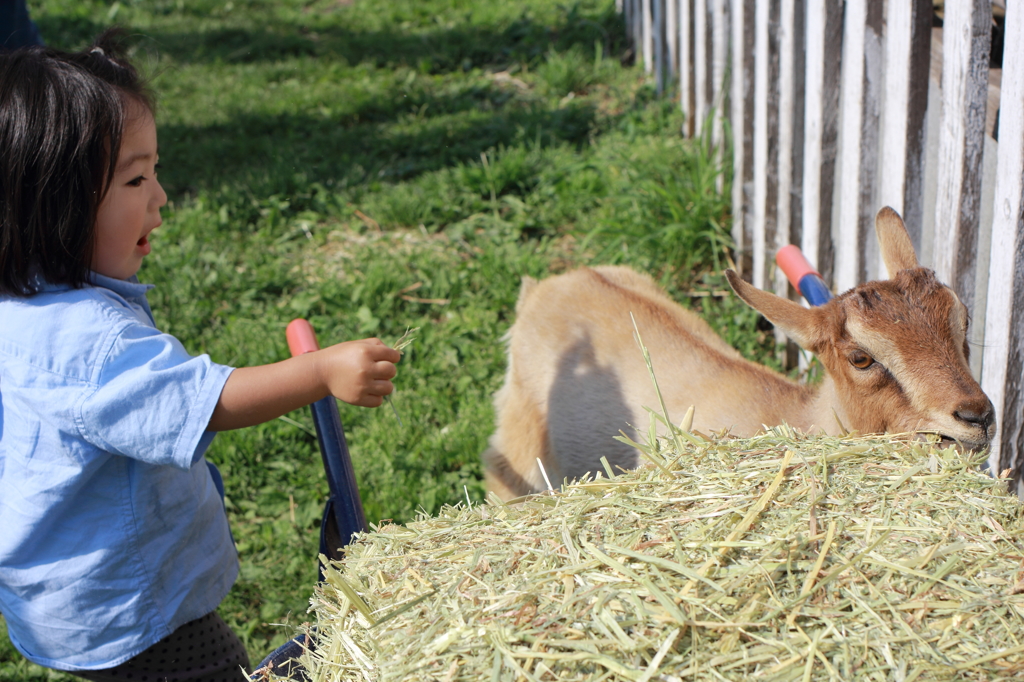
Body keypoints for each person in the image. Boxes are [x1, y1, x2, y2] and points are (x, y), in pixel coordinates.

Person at [0, 30, 401, 681]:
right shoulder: (85, 339)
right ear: (57, 205)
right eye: (135, 178)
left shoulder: (21, 308)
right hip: (137, 619)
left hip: (65, 605)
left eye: (155, 171)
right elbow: (205, 402)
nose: (160, 197)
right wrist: (321, 371)